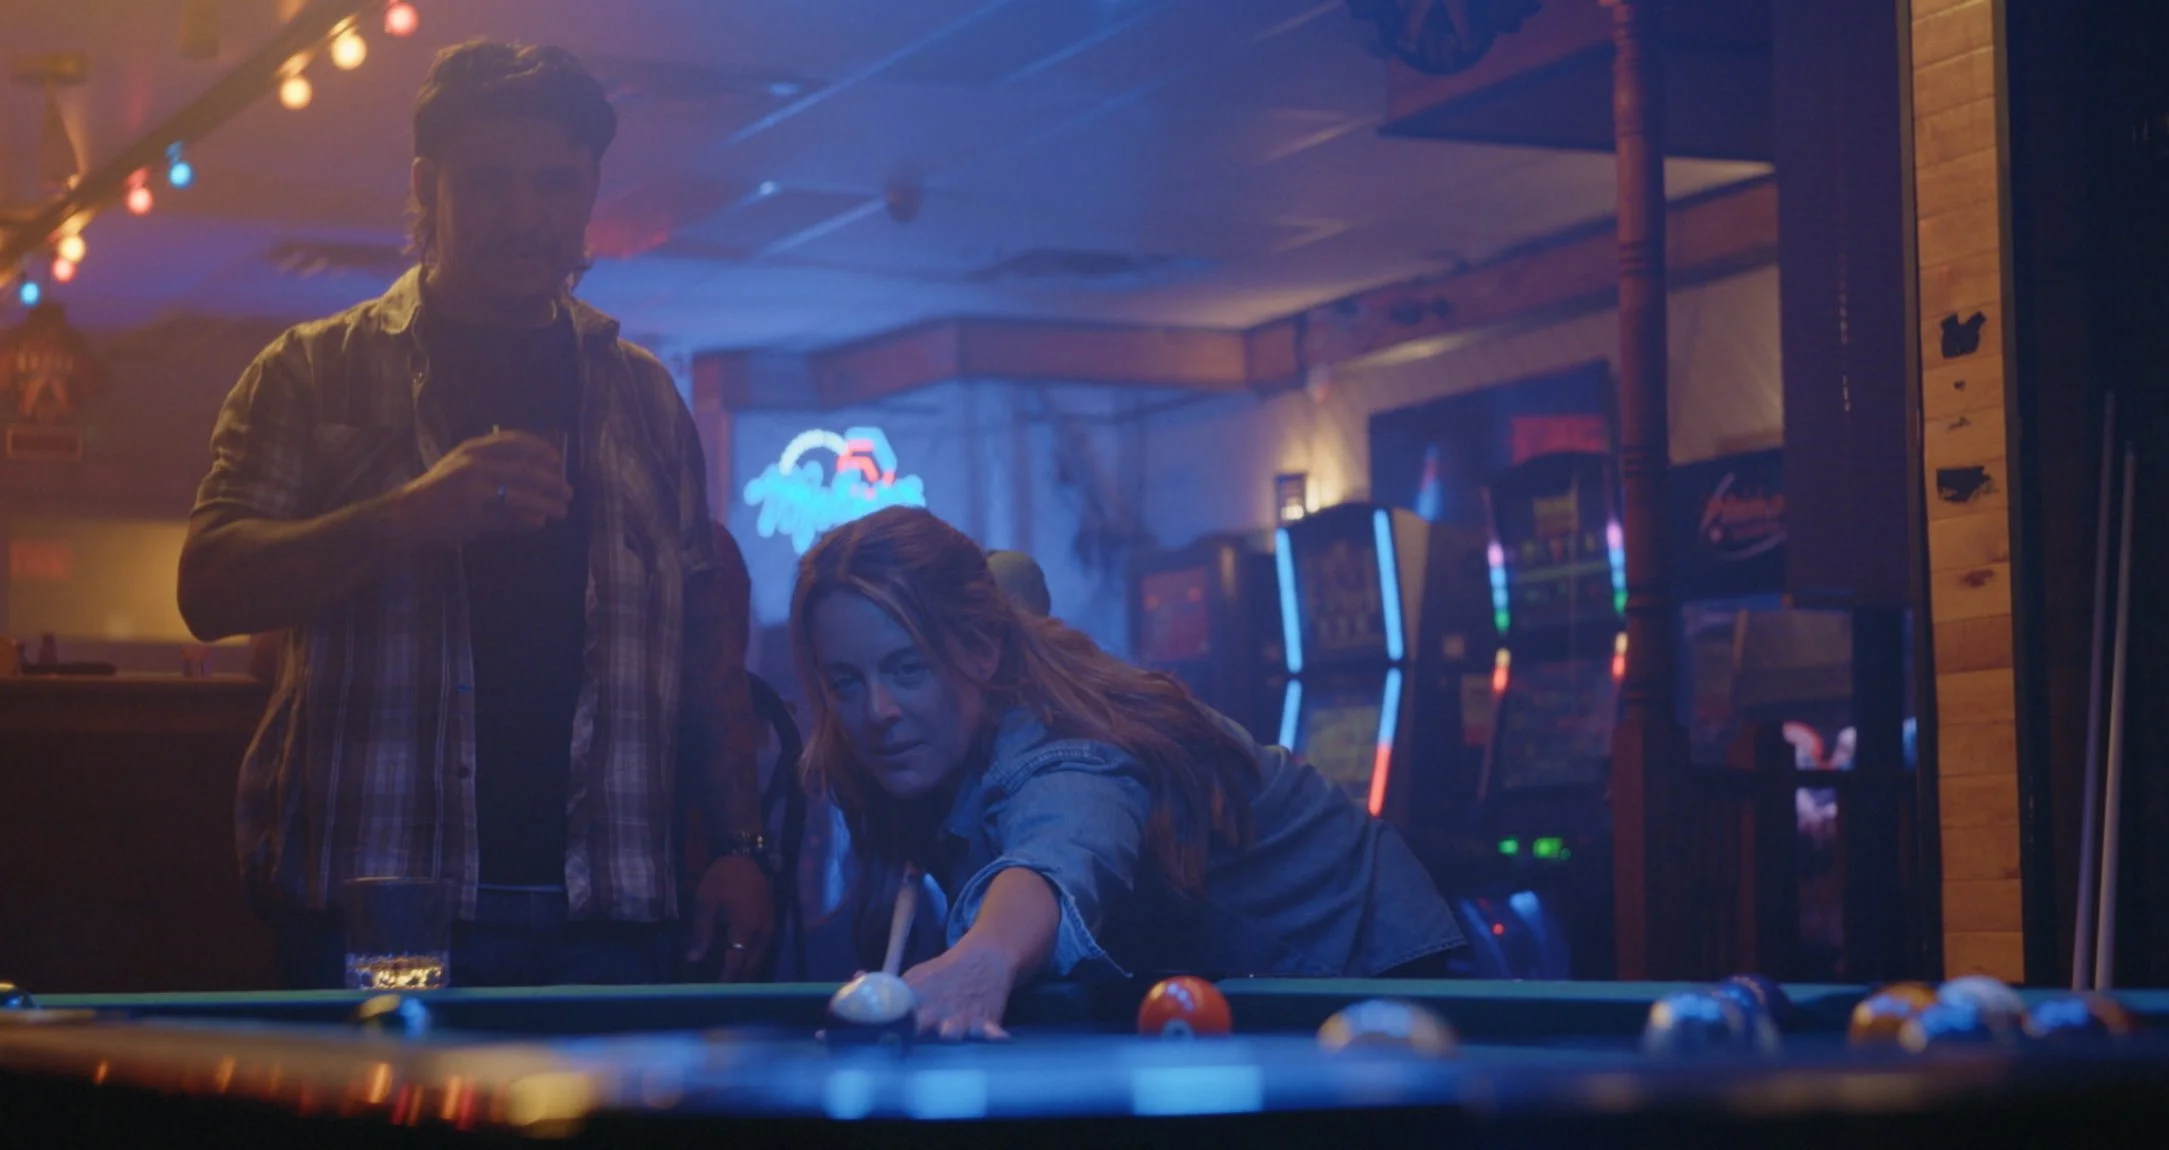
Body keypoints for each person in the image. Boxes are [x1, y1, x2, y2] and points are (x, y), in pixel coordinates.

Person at [177, 40, 769, 988]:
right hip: (378, 915)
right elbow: (208, 586)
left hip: (609, 919)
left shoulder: (645, 396)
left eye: (555, 184)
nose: (525, 216)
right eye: (490, 184)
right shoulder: (309, 371)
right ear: (428, 186)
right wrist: (408, 515)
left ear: (589, 192)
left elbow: (704, 642)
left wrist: (742, 843)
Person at [791, 506, 1466, 1038]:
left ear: (981, 650)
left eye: (907, 669)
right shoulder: (914, 745)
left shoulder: (1065, 740)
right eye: (845, 681)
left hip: (1364, 956)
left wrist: (985, 958)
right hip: (1220, 970)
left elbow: (1064, 848)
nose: (876, 711)